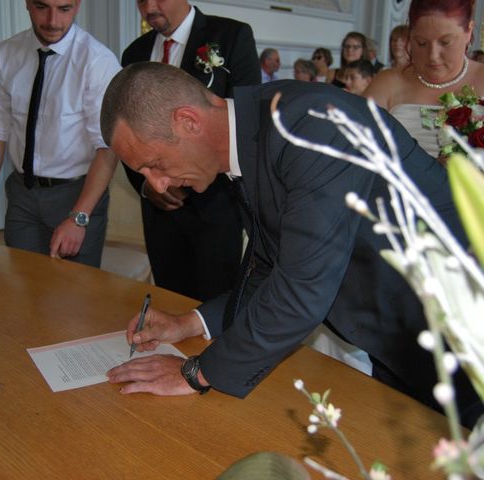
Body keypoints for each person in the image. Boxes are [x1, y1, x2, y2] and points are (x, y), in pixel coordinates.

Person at [101, 62, 481, 428]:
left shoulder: (312, 127)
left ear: (188, 121)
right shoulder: (257, 134)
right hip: (402, 339)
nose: (159, 185)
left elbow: (302, 287)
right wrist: (192, 322)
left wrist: (197, 373)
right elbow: (271, 265)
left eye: (155, 164)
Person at [0, 0, 120, 267]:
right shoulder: (7, 54)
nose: (53, 21)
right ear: (28, 3)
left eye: (64, 9)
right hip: (22, 195)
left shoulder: (97, 61)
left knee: (76, 297)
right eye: (42, 7)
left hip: (75, 194)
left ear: (77, 6)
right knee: (25, 291)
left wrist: (79, 217)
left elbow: (107, 147)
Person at [120, 0, 260, 300]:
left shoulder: (231, 36)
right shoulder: (135, 53)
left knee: (215, 305)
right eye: (141, 0)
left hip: (216, 206)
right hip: (161, 212)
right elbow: (125, 132)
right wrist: (146, 185)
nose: (149, 7)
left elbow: (245, 123)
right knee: (170, 303)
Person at [364, 0, 484, 160]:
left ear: (468, 31)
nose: (433, 55)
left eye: (445, 42)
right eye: (421, 43)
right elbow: (356, 152)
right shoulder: (387, 83)